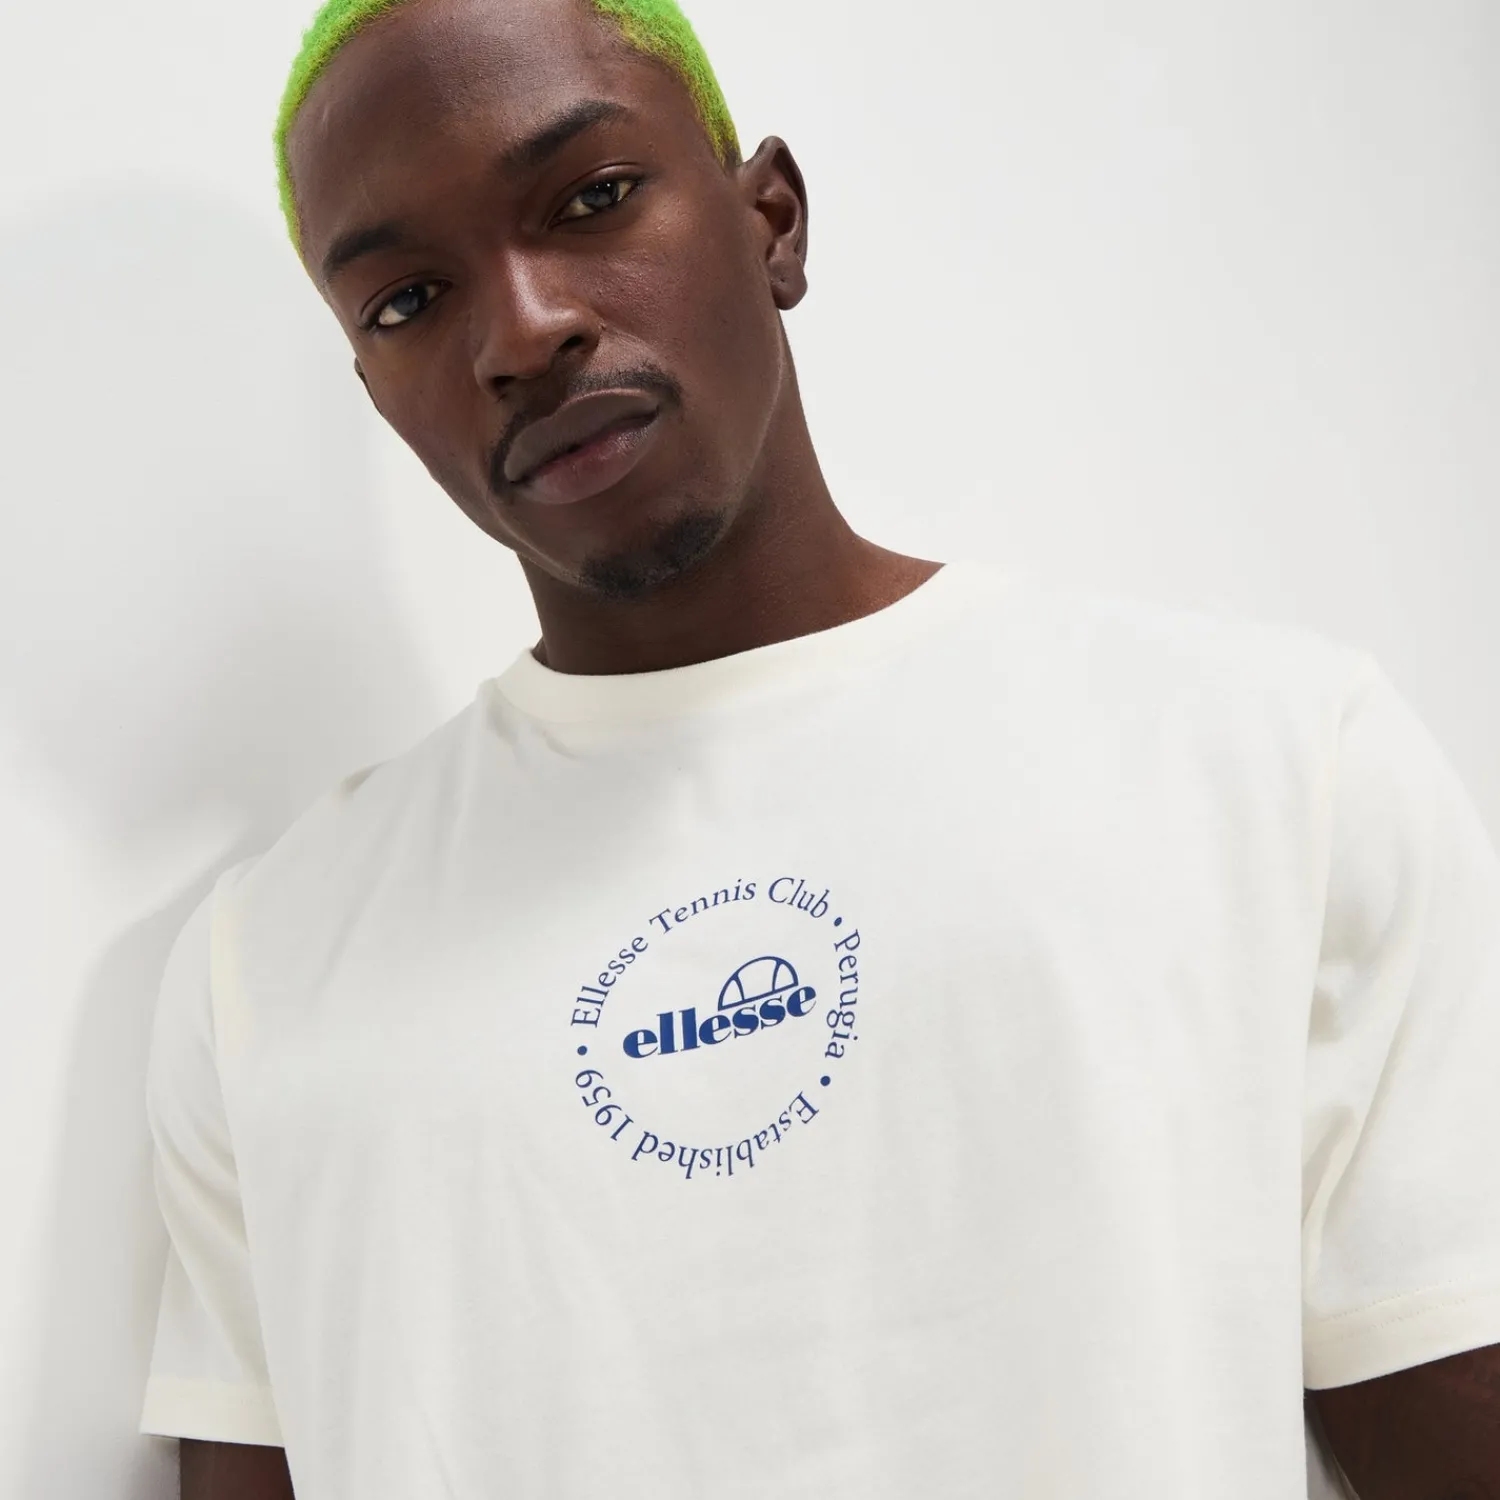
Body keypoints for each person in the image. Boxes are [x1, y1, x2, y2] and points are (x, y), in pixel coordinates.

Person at [137, 0, 1500, 1495]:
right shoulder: (270, 966)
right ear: (376, 388)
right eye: (406, 300)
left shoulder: (1269, 764)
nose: (521, 332)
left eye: (592, 199)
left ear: (771, 220)